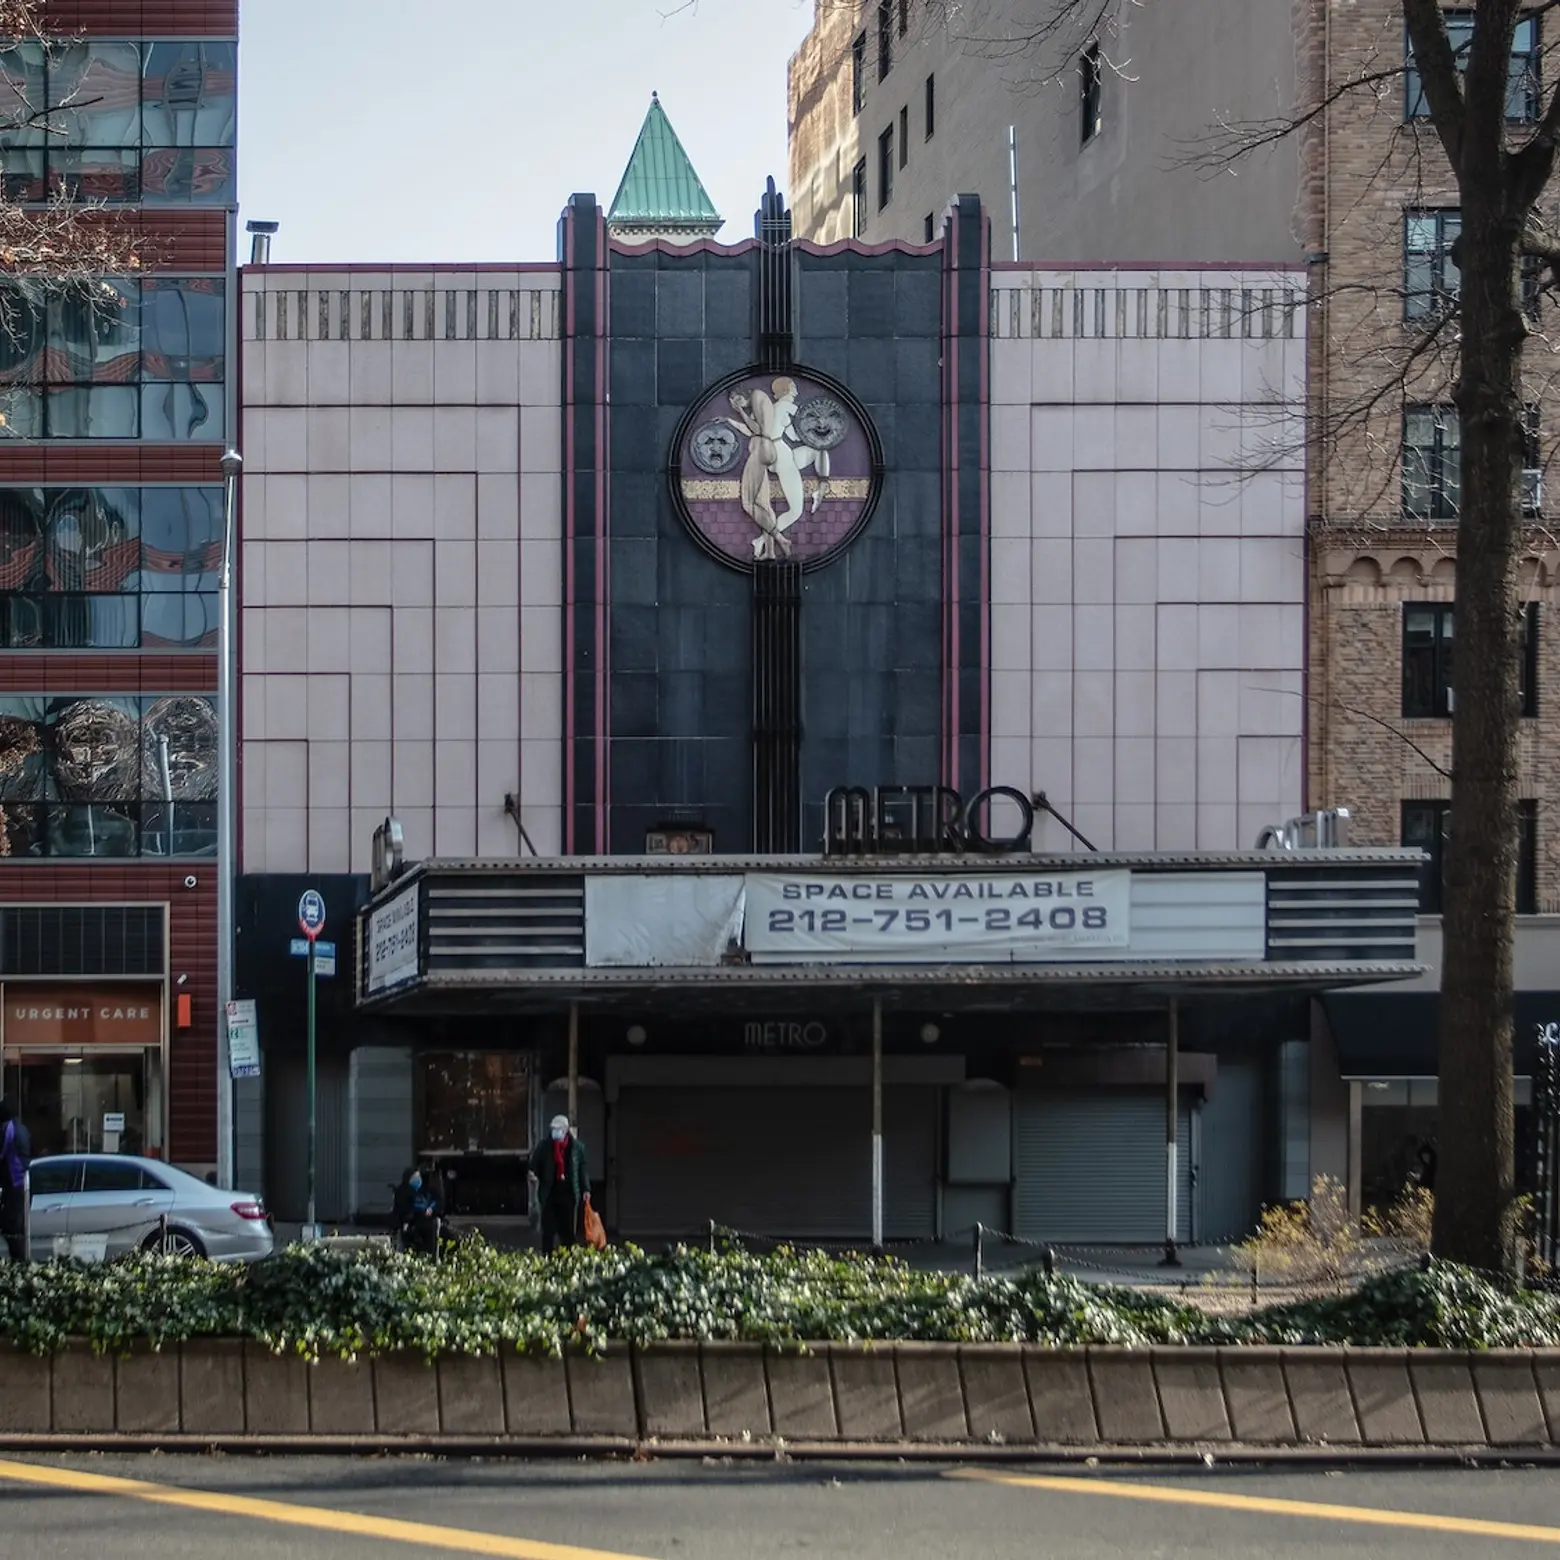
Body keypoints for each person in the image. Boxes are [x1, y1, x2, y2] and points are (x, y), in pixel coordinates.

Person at [528, 1114, 589, 1255]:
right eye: (553, 1129)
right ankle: (547, 1257)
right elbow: (534, 1165)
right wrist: (533, 1174)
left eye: (559, 1129)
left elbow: (582, 1170)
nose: (556, 1132)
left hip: (568, 1193)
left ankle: (567, 1257)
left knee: (567, 1231)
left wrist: (586, 1189)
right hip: (550, 1193)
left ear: (566, 1130)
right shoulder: (544, 1147)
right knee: (548, 1230)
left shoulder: (576, 1148)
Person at [0, 1098, 31, 1263]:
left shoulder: (7, 1128)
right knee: (17, 1229)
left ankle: (18, 1264)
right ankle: (19, 1264)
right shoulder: (22, 1128)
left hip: (14, 1184)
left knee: (11, 1229)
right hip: (22, 1184)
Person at [392, 1165, 442, 1257]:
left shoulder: (422, 1191)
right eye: (415, 1178)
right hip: (409, 1228)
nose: (418, 1180)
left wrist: (430, 1208)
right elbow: (405, 1210)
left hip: (425, 1226)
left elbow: (433, 1201)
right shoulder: (403, 1192)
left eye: (418, 1177)